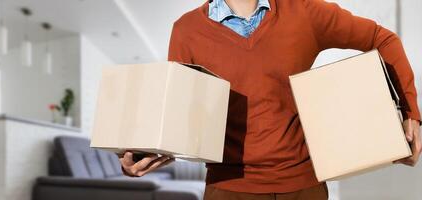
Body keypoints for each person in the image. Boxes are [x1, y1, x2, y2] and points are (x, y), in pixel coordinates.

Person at [119, 0, 422, 199]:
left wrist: (411, 113)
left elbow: (382, 39)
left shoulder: (303, 11)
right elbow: (182, 118)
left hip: (304, 187)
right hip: (228, 190)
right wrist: (143, 153)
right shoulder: (187, 31)